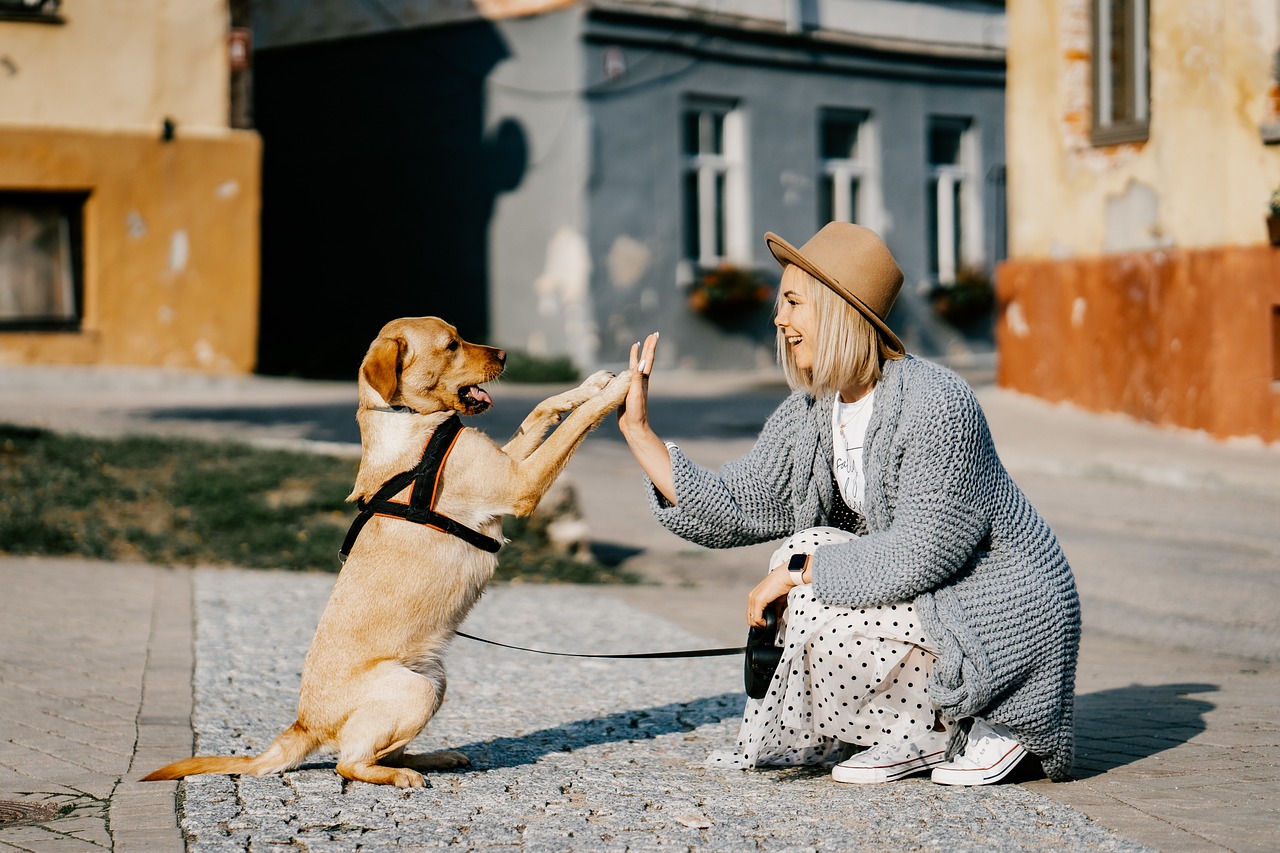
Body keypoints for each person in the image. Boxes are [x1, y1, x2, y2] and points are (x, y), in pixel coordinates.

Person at [616, 222, 1080, 785]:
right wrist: (640, 433)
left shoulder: (936, 402)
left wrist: (798, 575)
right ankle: (911, 730)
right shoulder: (814, 410)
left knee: (805, 575)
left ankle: (973, 721)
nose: (778, 319)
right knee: (802, 550)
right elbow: (739, 503)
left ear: (838, 310)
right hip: (934, 599)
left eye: (792, 302)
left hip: (1000, 611)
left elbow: (922, 553)